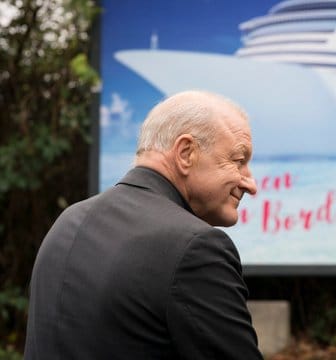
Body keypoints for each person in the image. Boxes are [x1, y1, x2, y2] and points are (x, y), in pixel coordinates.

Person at [25, 90, 263, 359]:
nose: (250, 184)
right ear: (186, 153)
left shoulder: (68, 222)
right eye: (238, 161)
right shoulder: (196, 248)